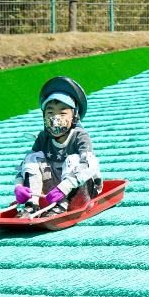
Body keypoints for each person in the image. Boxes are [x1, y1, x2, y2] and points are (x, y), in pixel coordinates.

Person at [13, 76, 102, 218]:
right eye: (50, 112)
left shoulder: (79, 136)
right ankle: (32, 205)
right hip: (51, 193)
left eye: (62, 112)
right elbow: (25, 164)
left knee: (74, 159)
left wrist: (64, 187)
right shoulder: (43, 137)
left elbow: (90, 164)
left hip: (81, 192)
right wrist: (19, 186)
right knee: (32, 158)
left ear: (74, 115)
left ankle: (62, 206)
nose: (55, 118)